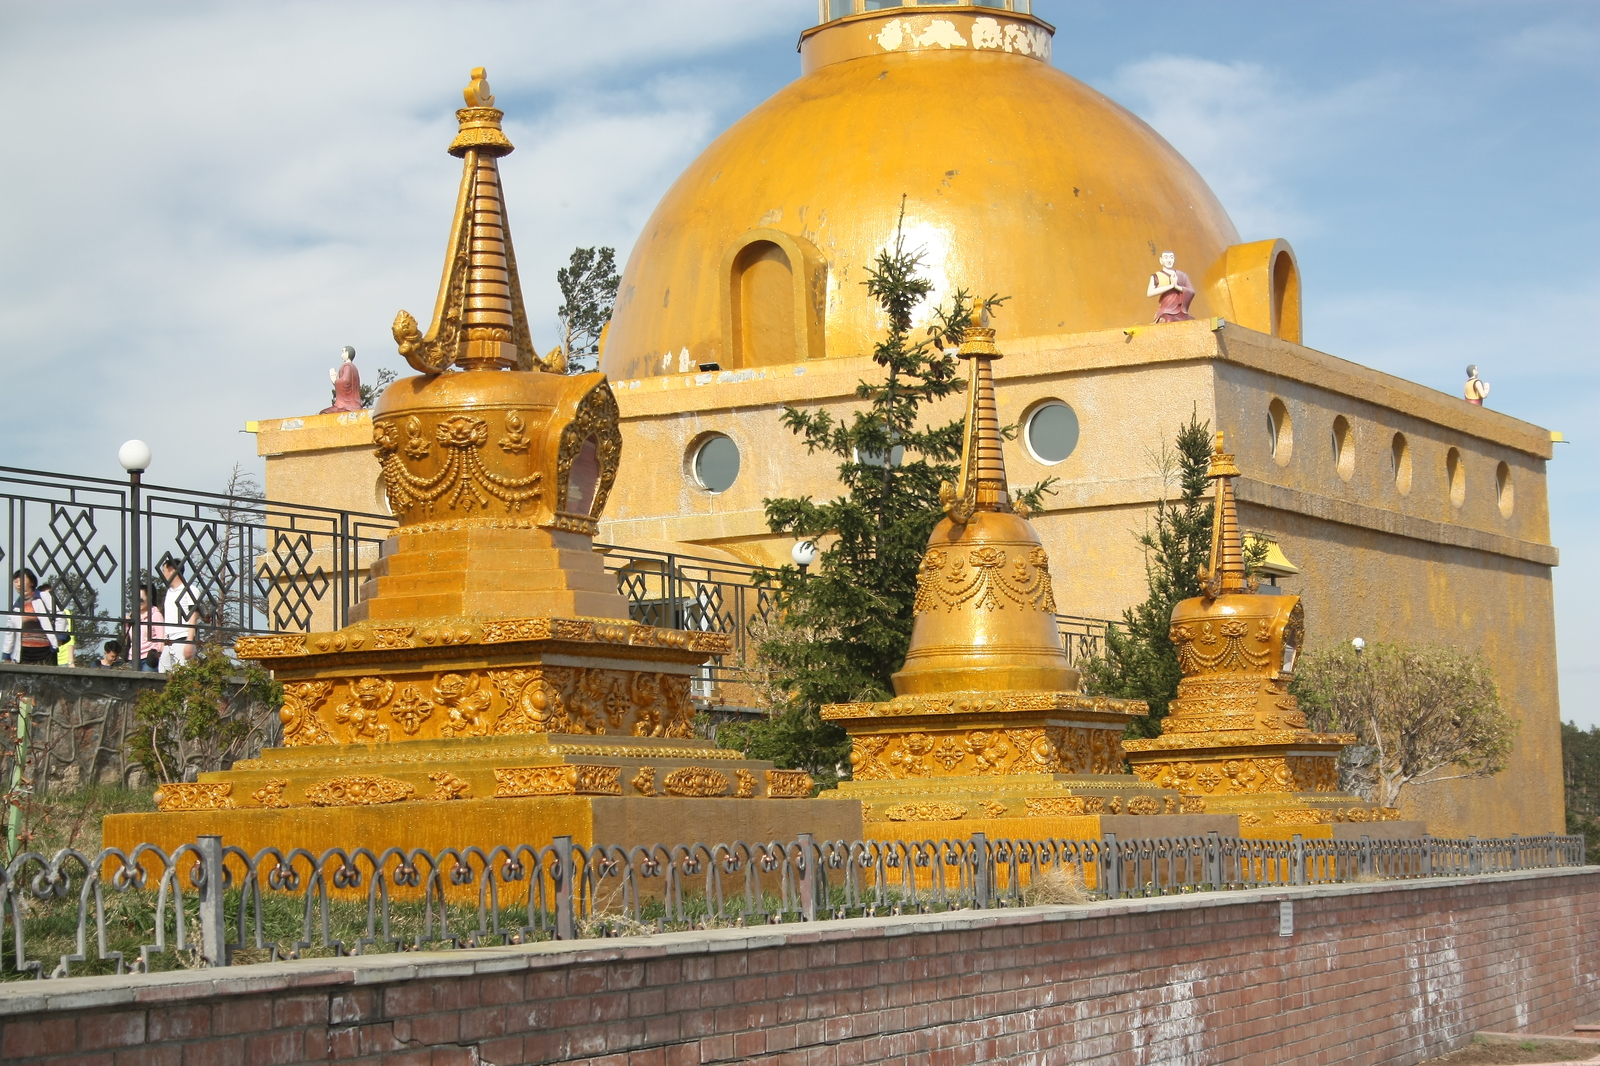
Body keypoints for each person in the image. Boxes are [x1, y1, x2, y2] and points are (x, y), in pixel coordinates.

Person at [3, 570, 60, 665]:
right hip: (24, 653)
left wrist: (59, 637)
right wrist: (6, 655)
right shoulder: (15, 606)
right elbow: (10, 631)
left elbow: (59, 614)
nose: (18, 584)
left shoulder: (43, 597)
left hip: (45, 650)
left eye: (22, 580)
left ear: (32, 582)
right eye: (15, 582)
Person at [157, 559, 198, 673]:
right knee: (163, 674)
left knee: (184, 676)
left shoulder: (190, 590)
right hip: (169, 640)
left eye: (164, 570)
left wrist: (189, 641)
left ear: (172, 570)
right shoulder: (169, 592)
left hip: (182, 638)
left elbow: (193, 615)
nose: (163, 574)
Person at [1147, 250, 1195, 323]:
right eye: (1166, 258)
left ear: (1174, 260)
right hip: (1166, 310)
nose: (1169, 260)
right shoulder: (1157, 276)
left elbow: (1191, 291)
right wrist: (1171, 286)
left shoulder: (1182, 275)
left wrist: (1177, 287)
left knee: (1191, 321)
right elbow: (1149, 293)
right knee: (1169, 320)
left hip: (1180, 310)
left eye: (1171, 258)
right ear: (1161, 260)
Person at [126, 584, 164, 671]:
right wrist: (127, 625)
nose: (138, 602)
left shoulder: (155, 615)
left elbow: (161, 640)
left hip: (149, 659)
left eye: (141, 599)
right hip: (133, 658)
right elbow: (127, 640)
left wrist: (157, 656)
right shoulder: (134, 615)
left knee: (146, 684)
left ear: (149, 598)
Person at [321, 345, 363, 413]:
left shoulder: (347, 366)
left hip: (346, 406)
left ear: (347, 353)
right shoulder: (353, 368)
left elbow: (345, 381)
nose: (341, 355)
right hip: (353, 404)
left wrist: (334, 380)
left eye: (343, 352)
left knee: (324, 413)